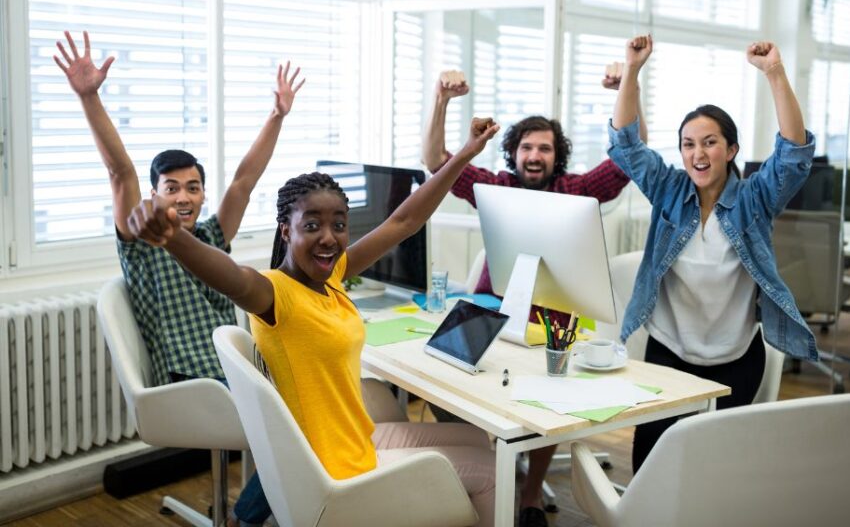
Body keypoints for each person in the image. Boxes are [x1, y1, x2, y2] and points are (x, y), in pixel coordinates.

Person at [126, 117, 504, 526]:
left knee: (473, 439)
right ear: (286, 231)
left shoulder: (333, 276)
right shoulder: (274, 294)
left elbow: (403, 222)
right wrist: (174, 237)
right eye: (312, 226)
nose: (329, 237)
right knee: (491, 474)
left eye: (338, 225)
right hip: (333, 466)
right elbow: (229, 275)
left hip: (350, 439)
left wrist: (464, 154)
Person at [54, 30, 304, 526]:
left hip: (233, 366)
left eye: (193, 188)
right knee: (295, 426)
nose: (184, 197)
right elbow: (119, 170)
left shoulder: (211, 234)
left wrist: (277, 115)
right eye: (172, 188)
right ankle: (248, 517)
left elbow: (245, 180)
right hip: (190, 379)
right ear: (155, 194)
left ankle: (277, 504)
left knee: (314, 401)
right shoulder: (142, 241)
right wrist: (90, 96)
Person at [422, 71, 647, 527]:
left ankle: (527, 498)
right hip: (490, 306)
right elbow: (435, 163)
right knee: (437, 379)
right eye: (527, 147)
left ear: (556, 155)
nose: (535, 155)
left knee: (545, 400)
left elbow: (629, 157)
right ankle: (485, 468)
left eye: (544, 148)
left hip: (555, 317)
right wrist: (441, 101)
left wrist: (629, 89)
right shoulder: (497, 185)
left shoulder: (576, 190)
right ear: (514, 153)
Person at [608, 35, 817, 473]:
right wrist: (632, 68)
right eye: (688, 144)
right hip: (668, 353)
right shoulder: (668, 189)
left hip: (735, 359)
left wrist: (775, 73)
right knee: (652, 462)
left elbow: (794, 155)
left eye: (709, 142)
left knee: (717, 469)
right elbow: (627, 146)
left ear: (731, 150)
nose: (697, 153)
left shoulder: (755, 199)